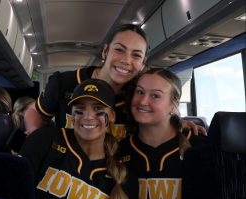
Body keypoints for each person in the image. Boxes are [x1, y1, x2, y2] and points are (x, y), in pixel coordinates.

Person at [19, 78, 139, 199]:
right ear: (72, 115)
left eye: (99, 110)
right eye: (80, 110)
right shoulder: (45, 140)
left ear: (112, 116)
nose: (88, 117)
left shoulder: (123, 175)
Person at [34, 23, 205, 141]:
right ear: (105, 51)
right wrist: (38, 146)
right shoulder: (65, 82)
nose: (126, 60)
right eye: (119, 50)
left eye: (136, 55)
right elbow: (34, 113)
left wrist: (173, 123)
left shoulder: (138, 97)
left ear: (143, 63)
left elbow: (155, 115)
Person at [118, 68, 208, 199]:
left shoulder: (200, 148)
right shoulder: (120, 151)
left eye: (156, 96)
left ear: (173, 104)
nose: (143, 101)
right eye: (140, 92)